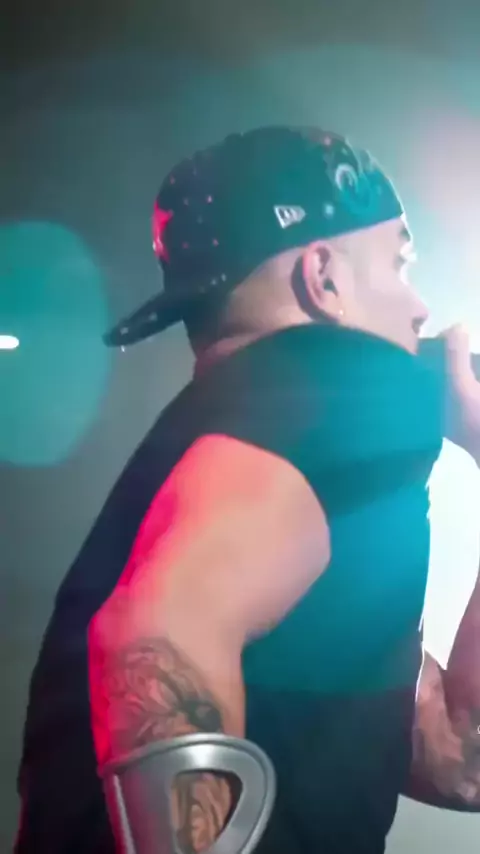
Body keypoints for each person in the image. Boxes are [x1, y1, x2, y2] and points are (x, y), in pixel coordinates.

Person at [15, 126, 480, 854]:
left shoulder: (244, 438)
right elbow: (154, 636)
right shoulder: (340, 380)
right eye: (399, 262)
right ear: (324, 278)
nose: (420, 308)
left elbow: (463, 760)